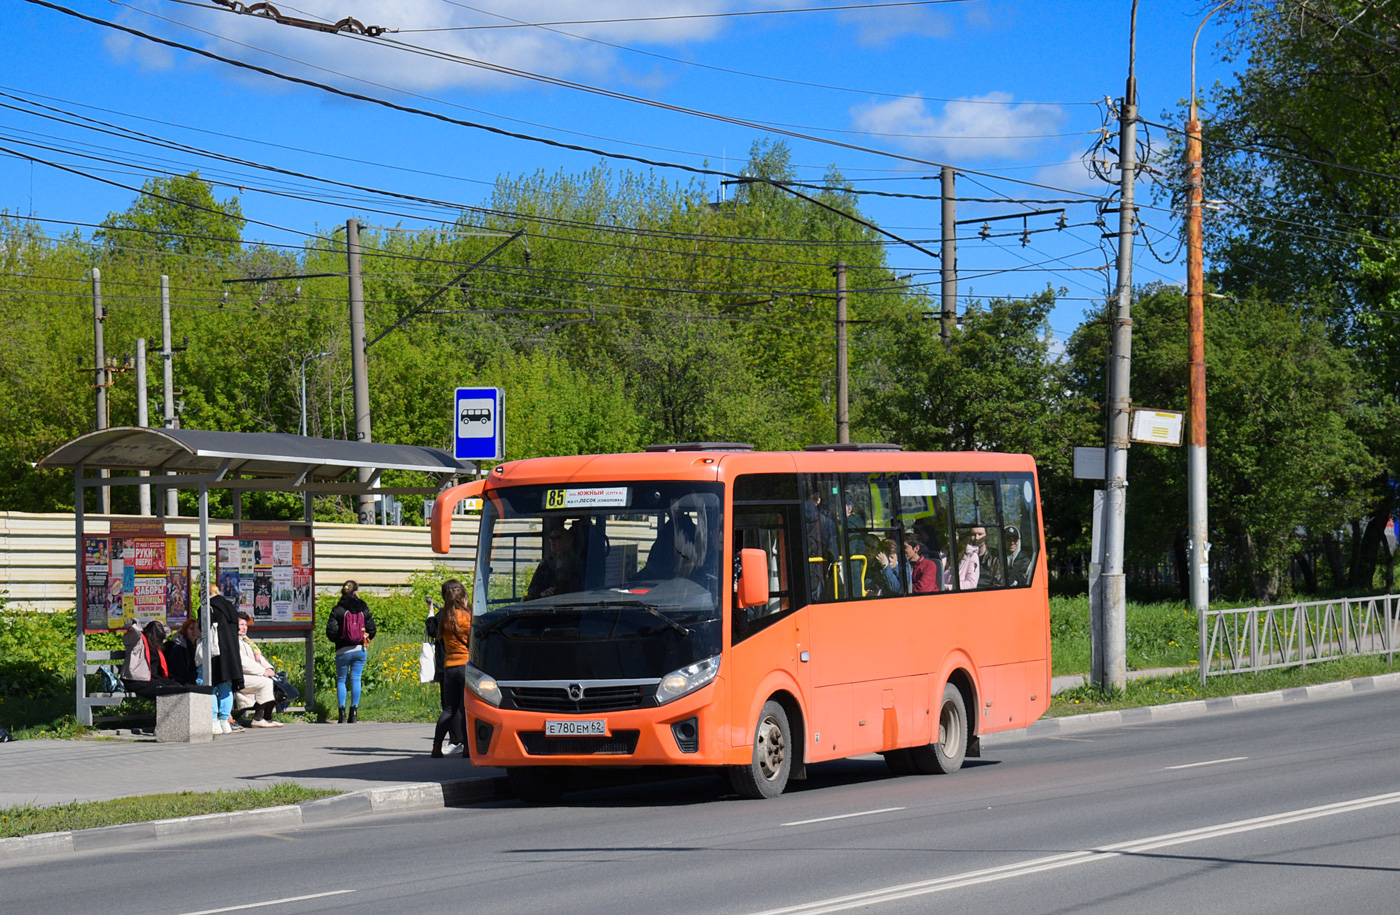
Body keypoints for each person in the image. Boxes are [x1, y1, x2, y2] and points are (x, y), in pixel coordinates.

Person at [325, 580, 376, 723]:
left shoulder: (338, 609)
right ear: (356, 592)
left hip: (342, 650)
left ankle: (341, 713)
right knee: (356, 679)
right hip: (360, 649)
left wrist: (339, 639)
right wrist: (364, 636)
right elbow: (372, 629)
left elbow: (331, 632)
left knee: (341, 680)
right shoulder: (363, 608)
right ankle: (353, 713)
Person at [432, 579, 472, 758]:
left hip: (449, 667)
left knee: (449, 709)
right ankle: (467, 748)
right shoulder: (468, 617)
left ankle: (436, 746)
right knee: (466, 708)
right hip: (465, 666)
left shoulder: (444, 618)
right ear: (463, 598)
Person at [207, 581, 245, 734]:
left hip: (215, 652)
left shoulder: (208, 608)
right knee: (226, 687)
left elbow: (203, 629)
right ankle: (225, 721)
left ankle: (214, 721)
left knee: (210, 686)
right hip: (231, 654)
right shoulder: (230, 608)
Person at [233, 612, 282, 728]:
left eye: (245, 625)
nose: (244, 627)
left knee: (275, 682)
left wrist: (268, 668)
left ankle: (268, 718)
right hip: (241, 676)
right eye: (241, 625)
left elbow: (258, 657)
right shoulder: (234, 641)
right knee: (266, 683)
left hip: (253, 674)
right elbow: (243, 662)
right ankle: (258, 718)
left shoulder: (247, 640)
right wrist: (262, 672)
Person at [526, 524, 582, 599]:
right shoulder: (545, 564)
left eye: (557, 538)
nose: (552, 541)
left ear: (568, 541)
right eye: (551, 538)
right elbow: (531, 589)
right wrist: (541, 593)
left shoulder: (577, 563)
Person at [163, 618, 203, 686]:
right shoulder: (179, 646)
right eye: (191, 628)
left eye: (197, 628)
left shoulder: (198, 645)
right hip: (182, 683)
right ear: (185, 630)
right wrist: (194, 680)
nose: (194, 631)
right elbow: (180, 669)